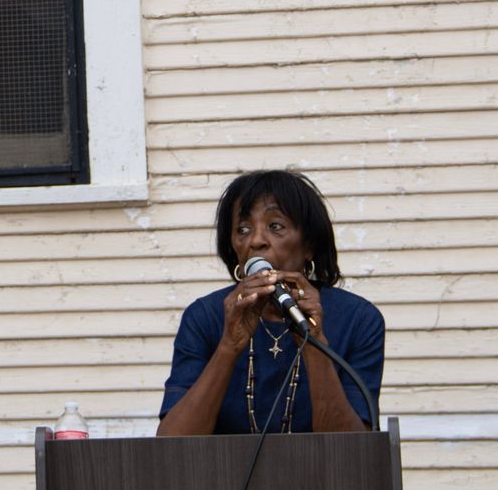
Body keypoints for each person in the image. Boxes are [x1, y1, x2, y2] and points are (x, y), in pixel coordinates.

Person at [157, 170, 384, 435]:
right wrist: (229, 345)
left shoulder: (358, 319)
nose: (256, 241)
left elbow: (353, 452)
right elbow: (172, 443)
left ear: (309, 244)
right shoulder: (205, 317)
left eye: (275, 226)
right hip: (225, 475)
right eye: (243, 229)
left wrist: (314, 342)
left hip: (323, 475)